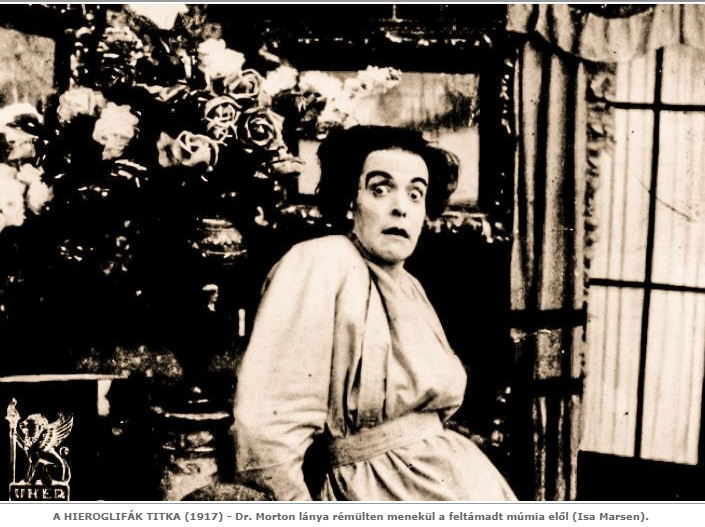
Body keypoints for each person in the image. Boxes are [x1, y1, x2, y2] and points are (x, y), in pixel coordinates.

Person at [232, 125, 516, 501]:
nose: (401, 207)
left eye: (415, 194)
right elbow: (266, 427)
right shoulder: (322, 261)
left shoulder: (409, 286)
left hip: (456, 483)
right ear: (351, 201)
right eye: (380, 189)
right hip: (379, 489)